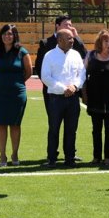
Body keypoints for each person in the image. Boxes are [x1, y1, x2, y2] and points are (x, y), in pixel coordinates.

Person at [0, 24, 32, 167]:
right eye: (5, 34)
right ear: (1, 36)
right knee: (0, 124)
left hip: (17, 93)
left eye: (11, 34)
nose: (7, 36)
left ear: (15, 36)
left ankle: (15, 154)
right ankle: (2, 155)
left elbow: (28, 72)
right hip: (0, 93)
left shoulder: (22, 52)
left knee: (15, 124)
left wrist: (16, 83)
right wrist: (2, 83)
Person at [40, 29, 86, 168]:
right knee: (54, 129)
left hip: (73, 99)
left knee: (71, 129)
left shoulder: (76, 55)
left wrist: (74, 86)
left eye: (72, 38)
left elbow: (82, 74)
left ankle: (70, 158)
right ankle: (52, 159)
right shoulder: (49, 55)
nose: (72, 40)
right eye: (69, 38)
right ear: (59, 40)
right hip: (55, 99)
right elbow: (45, 76)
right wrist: (63, 88)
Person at [82, 29, 109, 166]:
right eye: (106, 40)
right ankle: (96, 157)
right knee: (96, 129)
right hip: (95, 98)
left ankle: (108, 157)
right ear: (100, 41)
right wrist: (84, 93)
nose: (108, 43)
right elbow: (82, 76)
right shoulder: (90, 56)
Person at [35, 15, 87, 112]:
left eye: (71, 25)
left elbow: (85, 55)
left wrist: (76, 37)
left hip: (72, 92)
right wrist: (56, 87)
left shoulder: (74, 41)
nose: (70, 27)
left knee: (71, 125)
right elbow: (39, 67)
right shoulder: (46, 43)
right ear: (57, 26)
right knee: (54, 125)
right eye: (66, 25)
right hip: (52, 93)